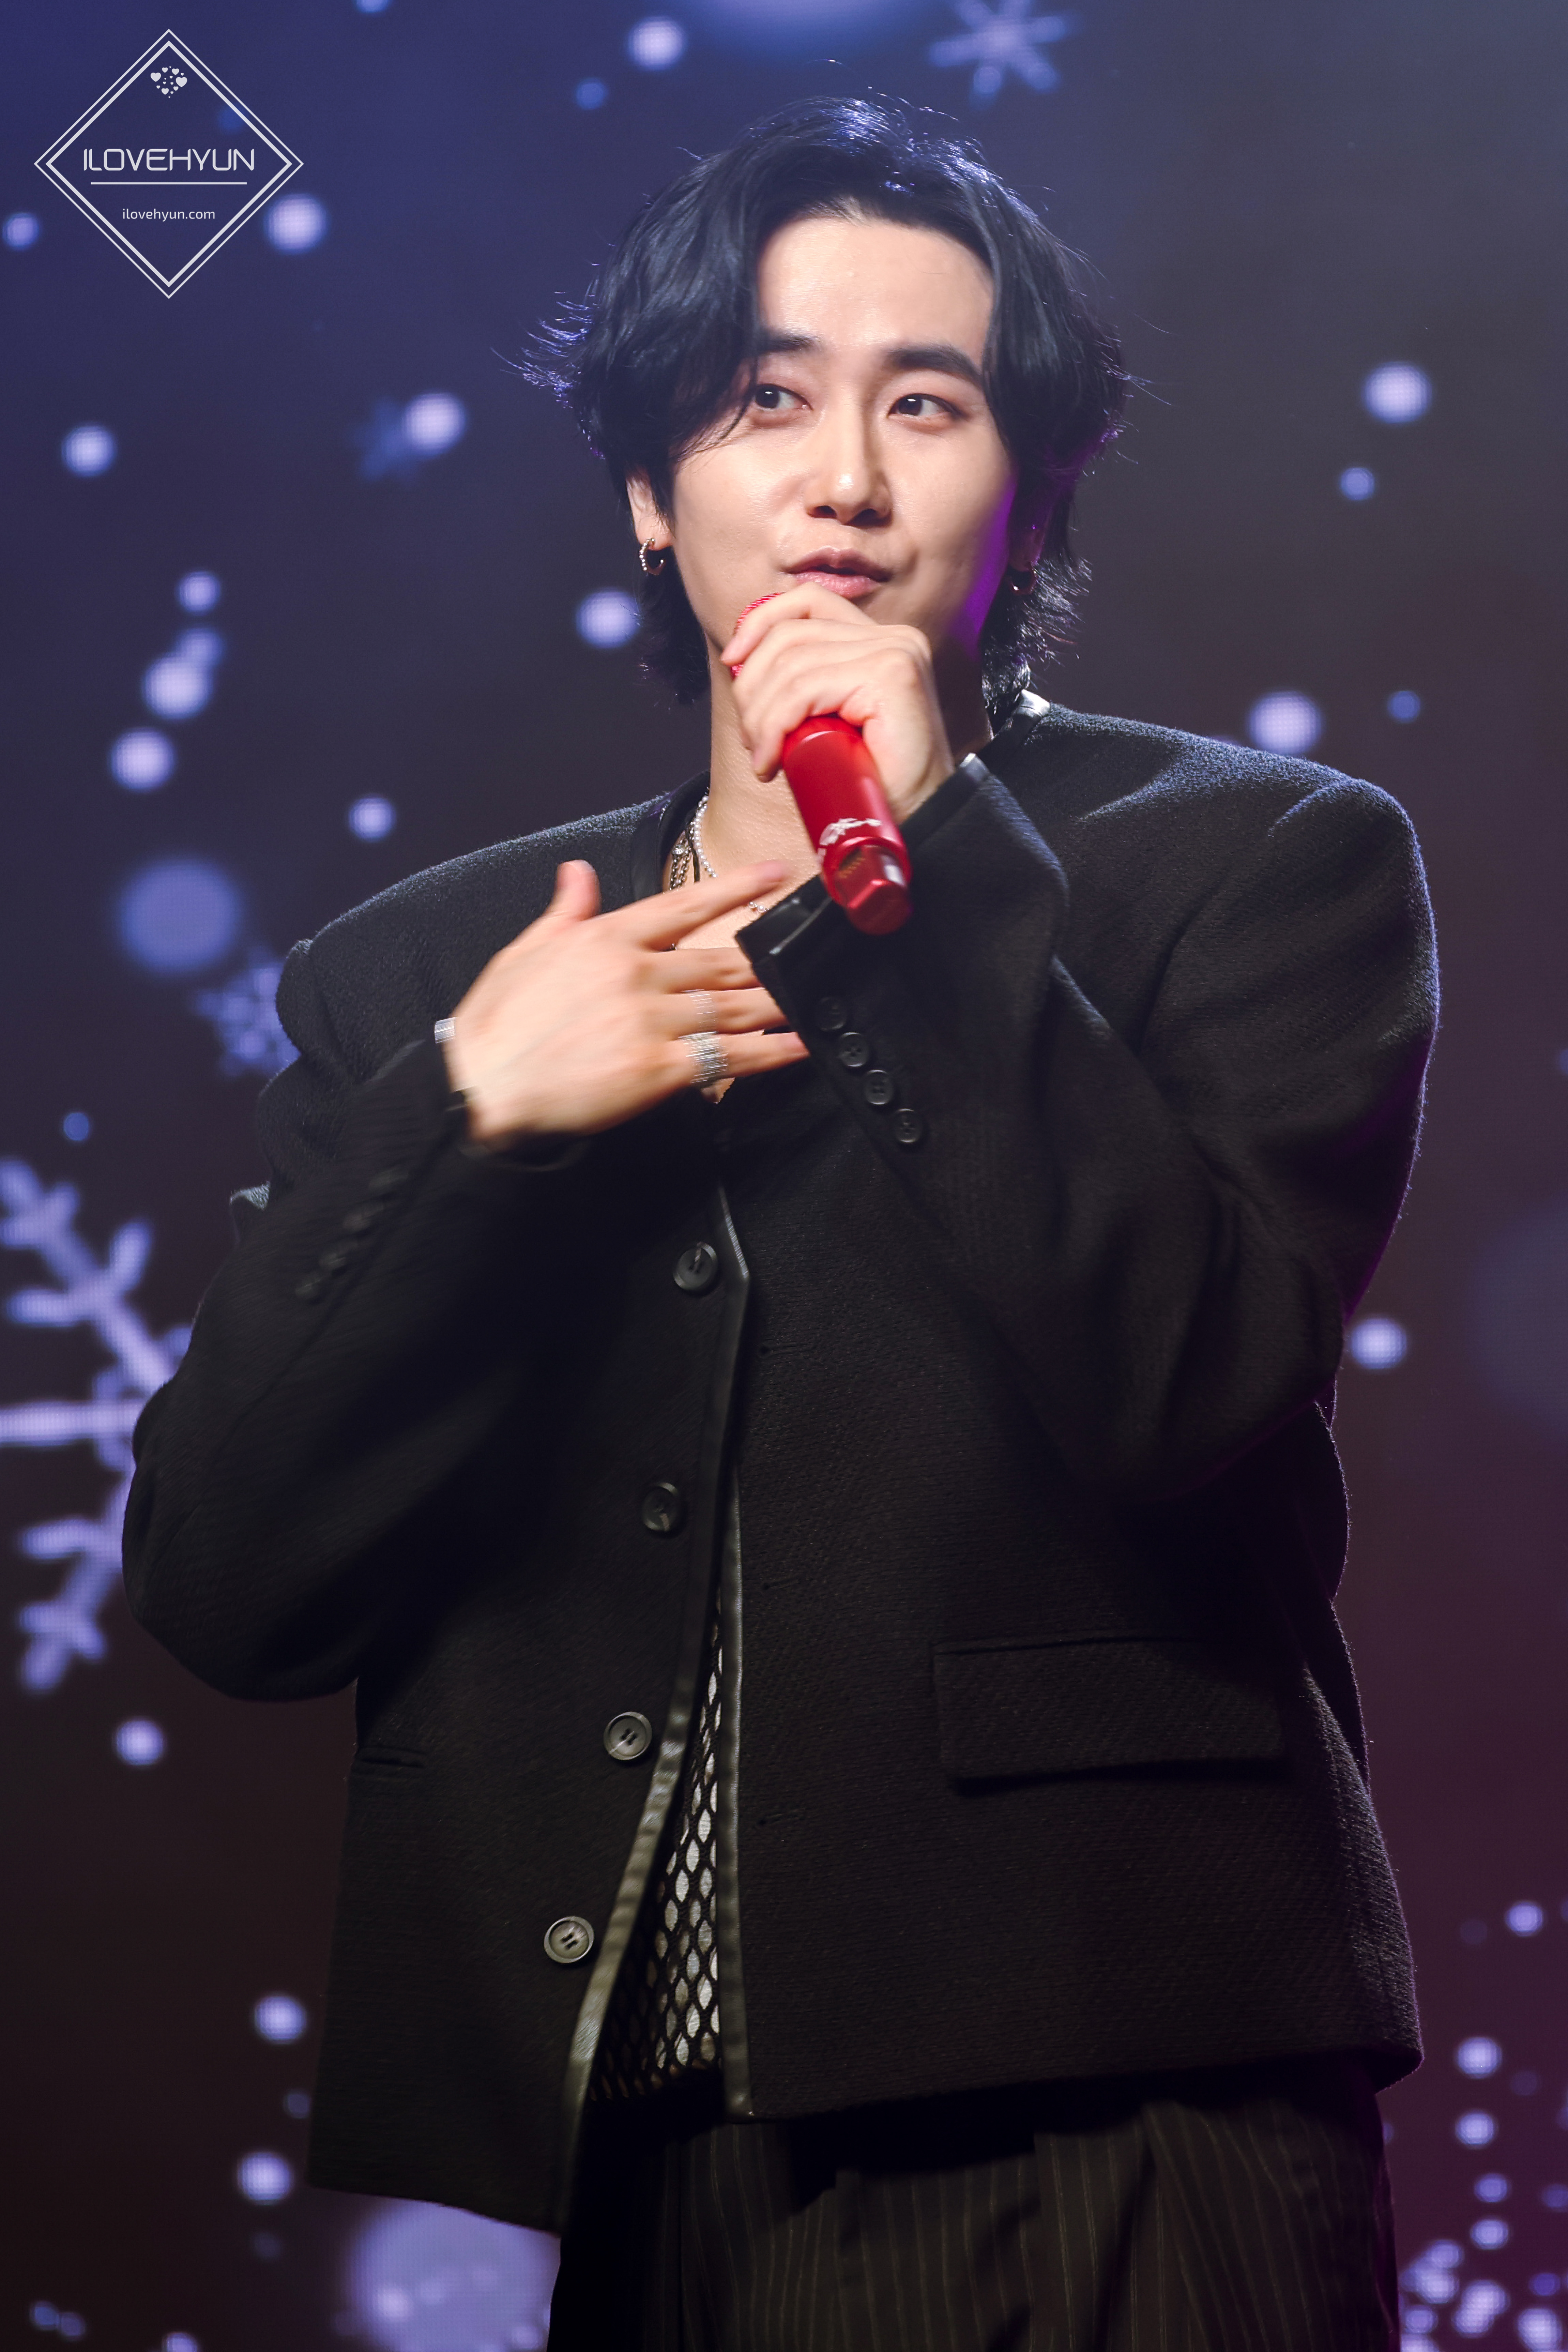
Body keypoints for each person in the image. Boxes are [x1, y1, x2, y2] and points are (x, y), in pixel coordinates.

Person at [123, 97, 1436, 2351]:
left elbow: (1186, 1388)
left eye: (928, 404)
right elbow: (232, 1585)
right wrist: (472, 1126)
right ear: (651, 493)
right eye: (761, 401)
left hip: (1123, 2093)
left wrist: (930, 884)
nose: (843, 481)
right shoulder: (422, 974)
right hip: (653, 2151)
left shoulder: (1258, 866)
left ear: (1031, 491)